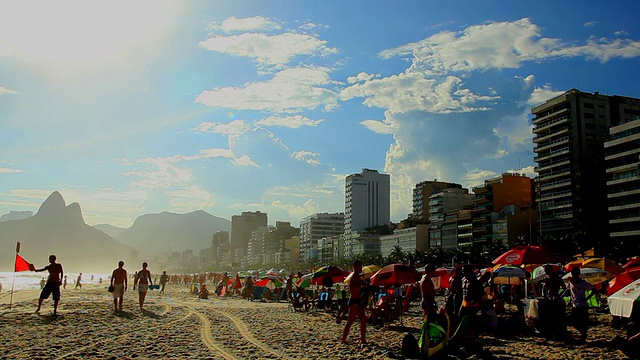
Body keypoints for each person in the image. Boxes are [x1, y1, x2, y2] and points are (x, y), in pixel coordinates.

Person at [563, 267, 595, 344]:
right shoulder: (571, 281)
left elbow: (593, 289)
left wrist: (587, 298)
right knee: (574, 322)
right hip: (574, 305)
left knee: (583, 322)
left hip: (582, 305)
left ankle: (583, 337)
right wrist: (560, 296)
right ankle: (583, 335)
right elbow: (567, 290)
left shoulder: (583, 283)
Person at [341, 260, 367, 347]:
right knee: (352, 321)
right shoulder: (353, 277)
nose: (361, 268)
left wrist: (363, 284)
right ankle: (345, 339)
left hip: (357, 300)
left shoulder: (357, 276)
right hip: (354, 301)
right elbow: (352, 290)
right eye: (360, 266)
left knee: (361, 320)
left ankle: (362, 340)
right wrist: (361, 286)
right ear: (356, 267)